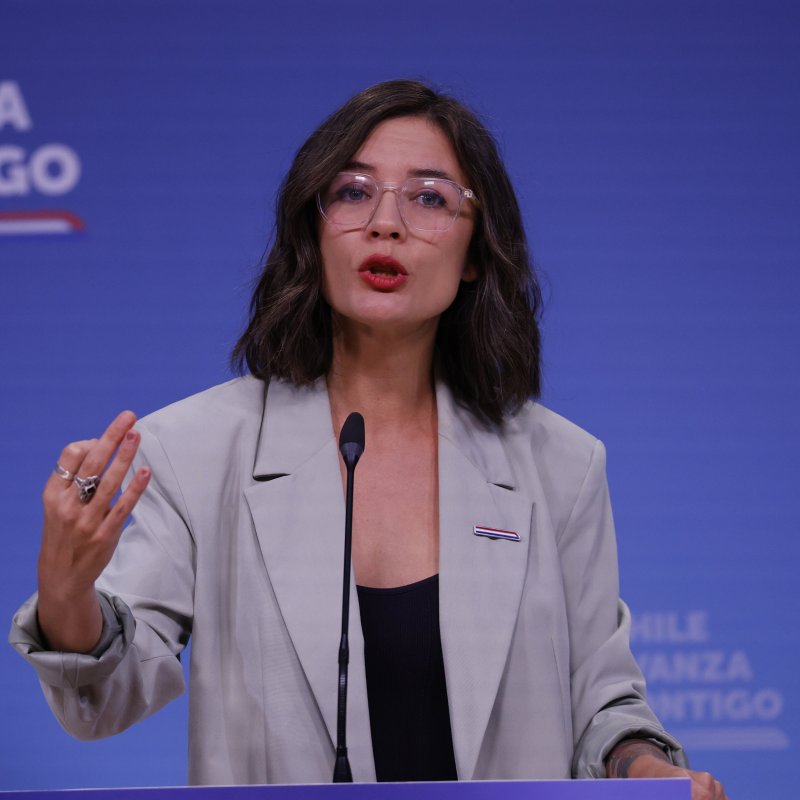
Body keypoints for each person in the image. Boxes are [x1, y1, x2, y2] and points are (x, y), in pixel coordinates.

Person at [10, 80, 726, 798]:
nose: (386, 223)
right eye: (353, 193)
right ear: (312, 230)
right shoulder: (196, 451)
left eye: (429, 198)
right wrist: (67, 590)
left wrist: (647, 770)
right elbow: (106, 698)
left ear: (476, 251)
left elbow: (604, 705)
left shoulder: (562, 466)